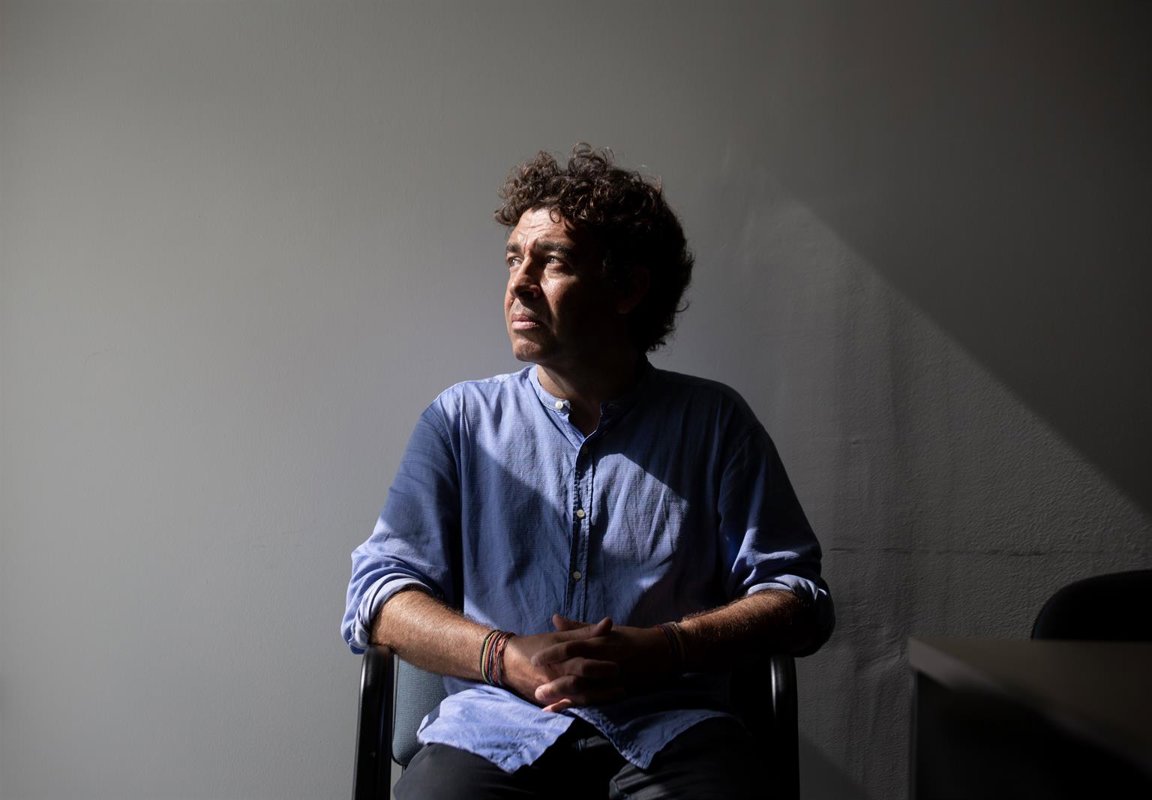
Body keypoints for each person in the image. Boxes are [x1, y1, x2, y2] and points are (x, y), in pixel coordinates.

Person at [342, 144, 833, 799]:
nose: (518, 284)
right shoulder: (459, 422)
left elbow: (798, 601)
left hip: (673, 736)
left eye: (553, 262)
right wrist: (503, 656)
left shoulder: (716, 425)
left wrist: (666, 648)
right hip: (492, 733)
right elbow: (378, 598)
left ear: (628, 289)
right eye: (514, 259)